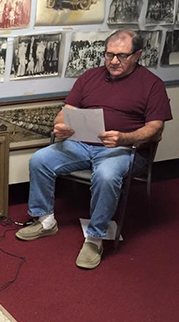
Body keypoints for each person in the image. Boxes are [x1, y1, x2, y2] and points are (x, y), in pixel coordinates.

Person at [15, 30, 173, 269]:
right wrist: (61, 126)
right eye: (109, 55)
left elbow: (155, 129)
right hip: (81, 144)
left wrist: (124, 138)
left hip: (124, 148)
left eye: (122, 56)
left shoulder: (152, 85)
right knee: (40, 160)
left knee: (107, 175)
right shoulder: (90, 77)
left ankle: (95, 238)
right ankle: (45, 220)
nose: (114, 61)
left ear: (138, 55)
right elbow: (66, 109)